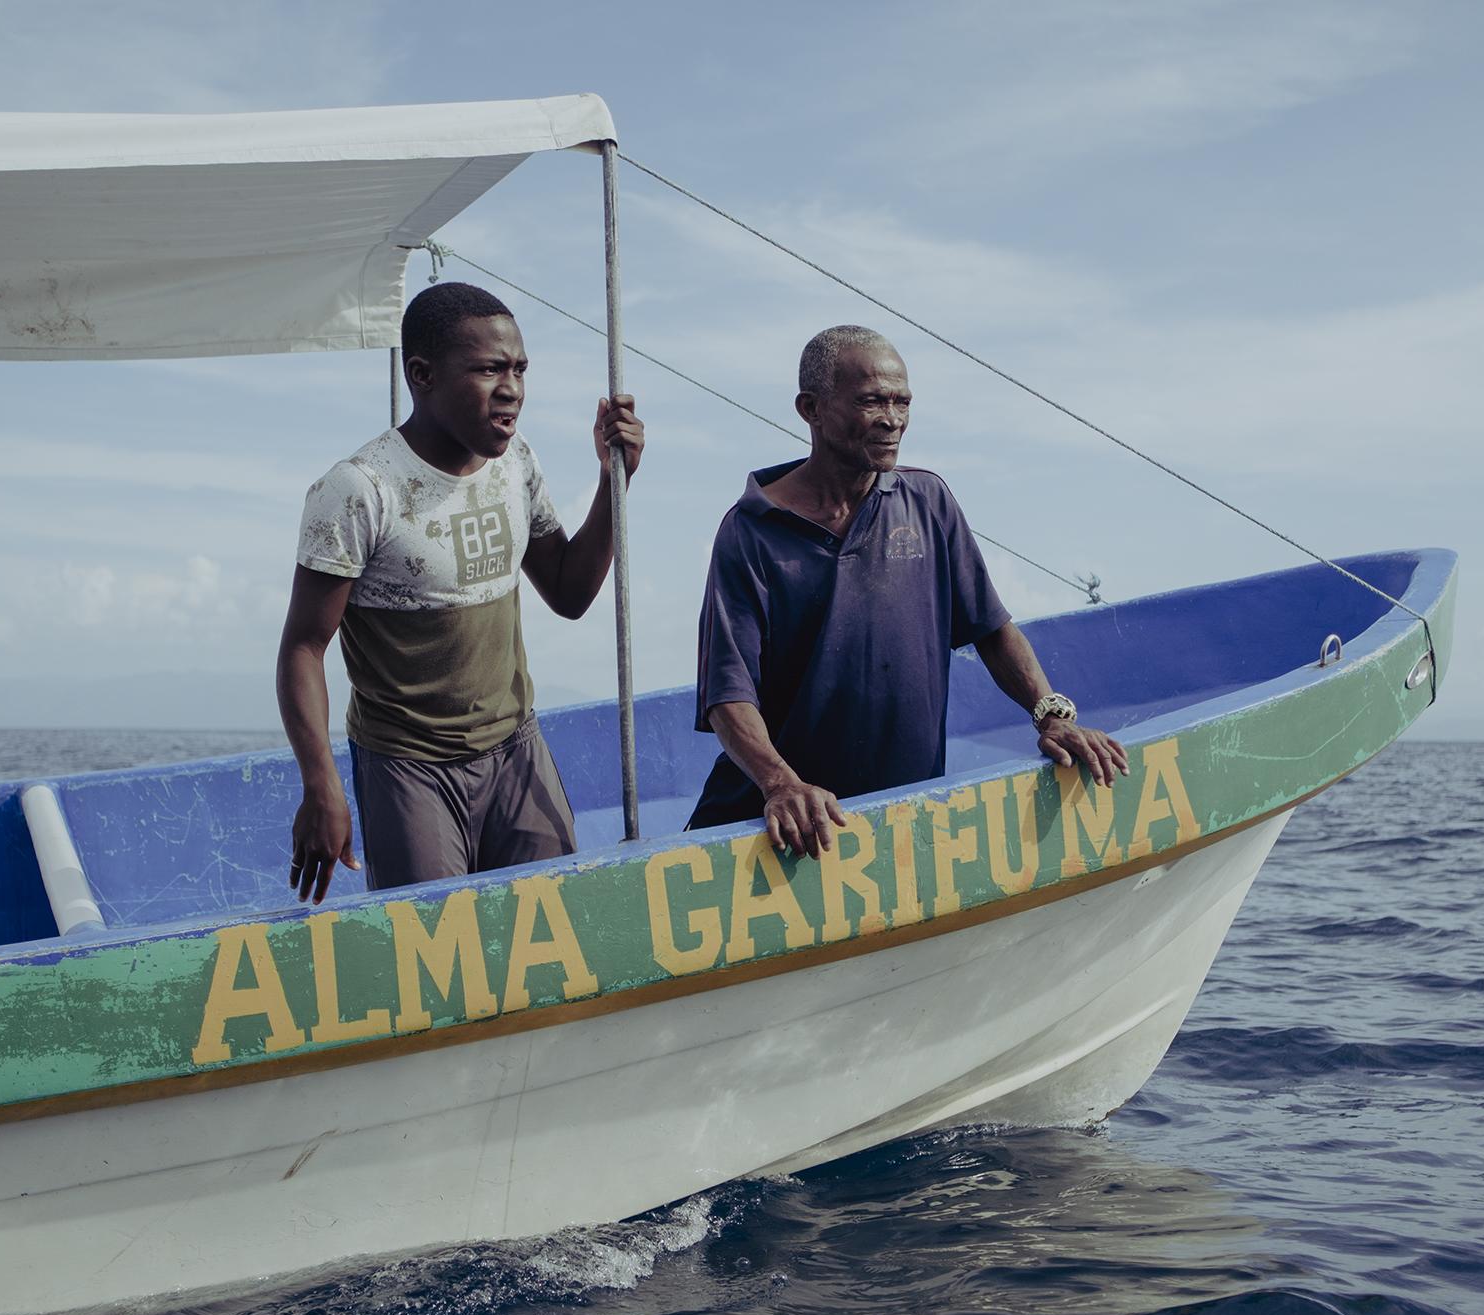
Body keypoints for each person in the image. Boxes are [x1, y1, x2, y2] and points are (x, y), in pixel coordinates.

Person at [689, 325, 1126, 855]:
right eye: (872, 401)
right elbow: (728, 694)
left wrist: (1052, 716)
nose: (892, 420)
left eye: (902, 402)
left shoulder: (928, 502)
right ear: (811, 408)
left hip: (895, 823)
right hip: (782, 830)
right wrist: (781, 784)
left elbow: (990, 629)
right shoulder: (750, 530)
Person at [279, 281, 644, 901]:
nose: (513, 389)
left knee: (551, 926)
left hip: (514, 748)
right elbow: (303, 648)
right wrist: (322, 786)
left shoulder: (515, 463)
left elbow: (568, 591)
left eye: (521, 370)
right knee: (434, 954)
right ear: (421, 375)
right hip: (408, 764)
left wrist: (617, 482)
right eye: (489, 369)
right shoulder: (360, 489)